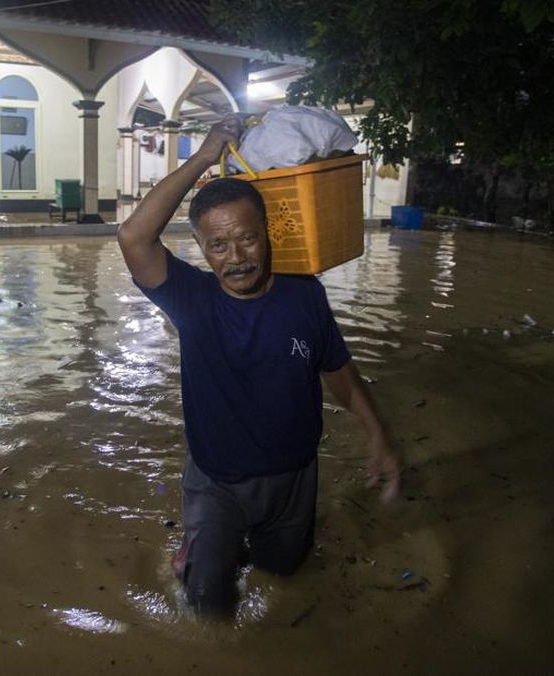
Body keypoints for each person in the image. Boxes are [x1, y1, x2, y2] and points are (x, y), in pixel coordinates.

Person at [116, 115, 401, 616]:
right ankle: (200, 544)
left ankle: (235, 547)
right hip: (216, 482)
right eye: (218, 245)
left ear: (269, 232)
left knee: (285, 575)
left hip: (295, 479)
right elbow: (134, 237)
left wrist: (377, 432)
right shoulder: (192, 300)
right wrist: (204, 157)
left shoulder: (304, 295)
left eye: (247, 238)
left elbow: (338, 371)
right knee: (208, 604)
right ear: (201, 248)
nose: (236, 257)